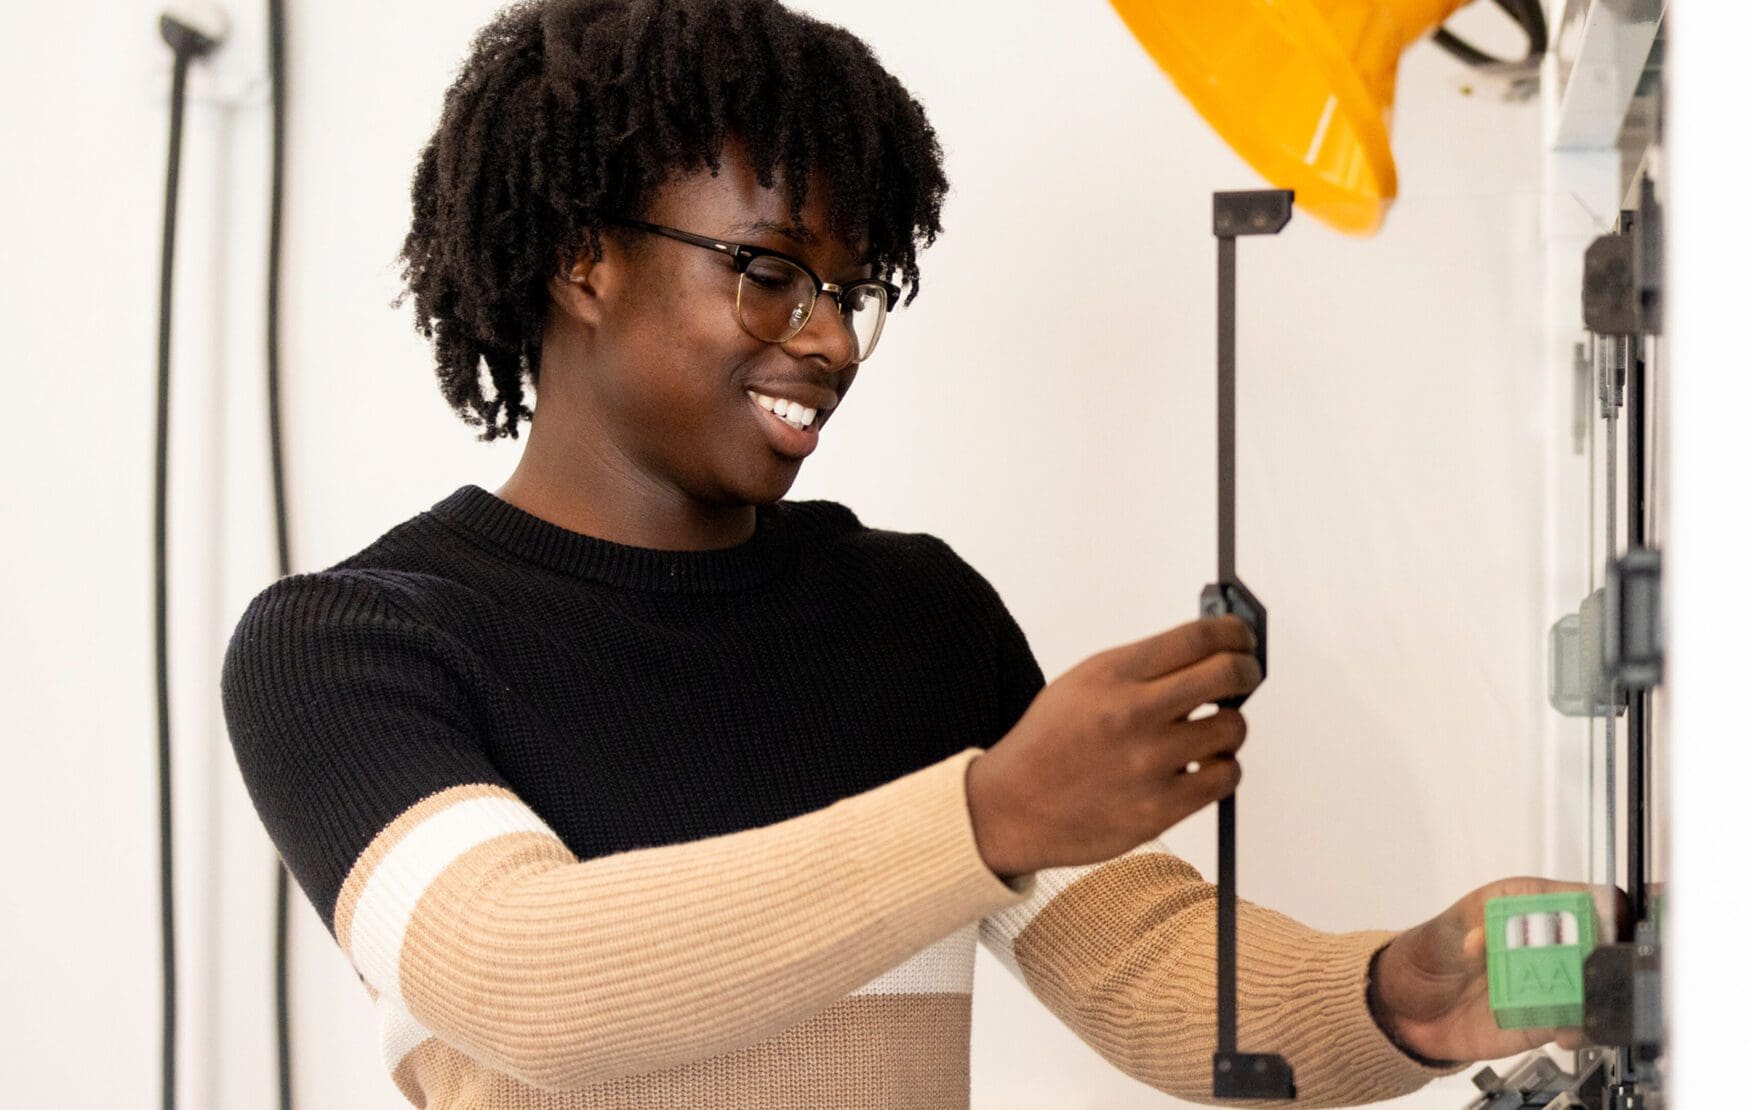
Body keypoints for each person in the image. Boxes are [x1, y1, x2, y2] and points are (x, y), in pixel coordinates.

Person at [221, 1, 1590, 1106]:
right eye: (770, 273)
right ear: (585, 259)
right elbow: (525, 977)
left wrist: (1403, 994)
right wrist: (983, 818)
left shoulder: (913, 614)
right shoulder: (352, 644)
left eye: (852, 291)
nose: (828, 341)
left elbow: (1150, 969)